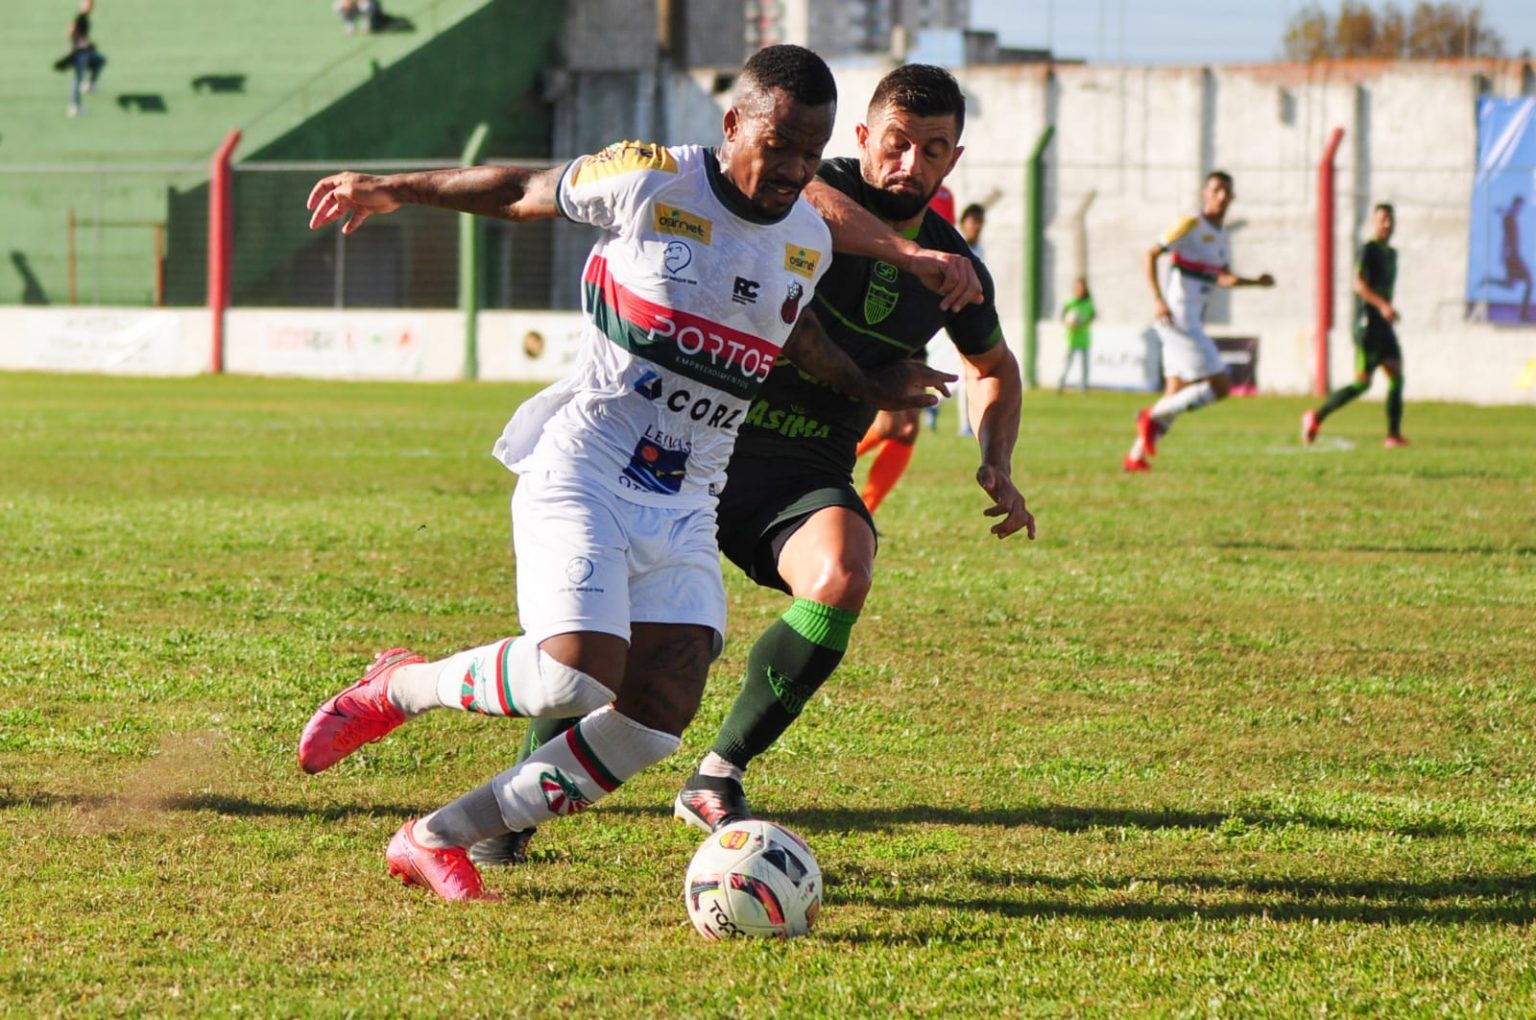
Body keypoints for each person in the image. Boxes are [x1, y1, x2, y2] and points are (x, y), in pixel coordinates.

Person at [296, 45, 977, 900]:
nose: (794, 170)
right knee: (571, 674)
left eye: (812, 153)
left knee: (656, 715)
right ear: (733, 125)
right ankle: (399, 685)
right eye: (780, 147)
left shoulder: (806, 238)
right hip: (586, 462)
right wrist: (401, 188)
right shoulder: (654, 179)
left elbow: (790, 331)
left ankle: (434, 838)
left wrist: (871, 384)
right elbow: (521, 189)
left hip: (688, 496)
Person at [472, 65, 1032, 859]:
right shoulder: (799, 182)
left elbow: (992, 368)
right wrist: (906, 253)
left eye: (933, 149)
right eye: (898, 143)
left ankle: (716, 773)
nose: (911, 164)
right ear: (863, 139)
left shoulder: (952, 266)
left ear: (955, 157)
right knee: (608, 637)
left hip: (798, 467)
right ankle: (519, 802)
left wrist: (996, 458)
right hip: (691, 441)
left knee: (842, 569)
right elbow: (815, 206)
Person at [1123, 171, 1275, 472]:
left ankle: (1135, 457)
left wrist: (1255, 282)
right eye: (1215, 190)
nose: (1220, 196)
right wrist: (1158, 299)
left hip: (1189, 319)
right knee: (1220, 386)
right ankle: (1149, 418)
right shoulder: (1191, 223)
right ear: (1205, 193)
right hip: (1177, 317)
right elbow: (1151, 254)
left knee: (1175, 393)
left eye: (1225, 192)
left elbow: (1225, 277)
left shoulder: (1221, 236)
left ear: (1231, 198)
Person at [1302, 203, 1407, 447]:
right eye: (1382, 220)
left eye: (1390, 220)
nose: (1387, 224)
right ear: (1374, 222)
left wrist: (1387, 310)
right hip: (1367, 324)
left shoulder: (1392, 253)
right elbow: (1358, 284)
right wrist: (1382, 305)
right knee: (1362, 383)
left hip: (1384, 325)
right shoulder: (1368, 250)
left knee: (1397, 376)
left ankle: (1393, 435)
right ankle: (1315, 417)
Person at [1482, 195, 1532, 322]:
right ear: (1515, 204)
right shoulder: (1509, 217)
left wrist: (1503, 210)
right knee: (1530, 281)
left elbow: (1502, 211)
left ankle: (1488, 280)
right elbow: (1506, 236)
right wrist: (1504, 254)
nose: (1520, 209)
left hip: (1514, 255)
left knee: (1510, 285)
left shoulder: (1511, 216)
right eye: (1519, 206)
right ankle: (1524, 314)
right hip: (1512, 256)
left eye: (1521, 207)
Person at [63, 0, 106, 118]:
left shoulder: (85, 18)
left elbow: (81, 35)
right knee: (77, 78)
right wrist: (78, 45)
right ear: (82, 5)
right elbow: (72, 31)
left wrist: (88, 43)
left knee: (100, 61)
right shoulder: (80, 17)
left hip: (84, 52)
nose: (89, 7)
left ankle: (90, 84)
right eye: (87, 4)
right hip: (78, 53)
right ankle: (74, 107)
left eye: (91, 5)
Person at [1058, 276, 1094, 394]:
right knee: (1067, 363)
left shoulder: (1088, 302)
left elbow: (1092, 316)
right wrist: (1069, 324)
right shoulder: (1070, 302)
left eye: (1082, 286)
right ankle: (1061, 385)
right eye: (1078, 286)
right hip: (1071, 338)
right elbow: (1062, 317)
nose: (1080, 289)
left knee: (1084, 365)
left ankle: (1083, 388)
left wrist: (1083, 322)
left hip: (1083, 338)